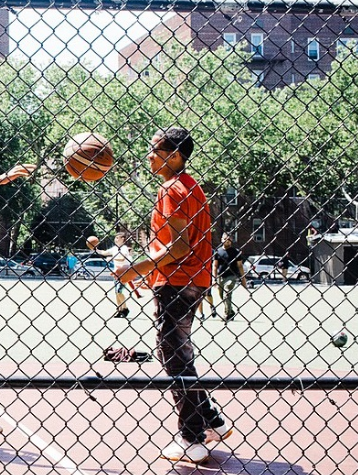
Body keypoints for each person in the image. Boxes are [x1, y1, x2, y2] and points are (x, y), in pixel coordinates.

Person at [115, 127, 233, 464]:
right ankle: (212, 422)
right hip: (192, 279)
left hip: (178, 281)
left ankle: (192, 438)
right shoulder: (192, 187)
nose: (149, 155)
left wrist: (135, 269)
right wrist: (150, 272)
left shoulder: (172, 189)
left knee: (174, 357)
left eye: (155, 150)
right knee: (178, 354)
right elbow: (182, 243)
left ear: (175, 155)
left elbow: (179, 246)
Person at [87, 232, 133, 318]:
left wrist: (111, 258)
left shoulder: (124, 248)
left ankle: (125, 308)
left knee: (119, 291)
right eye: (115, 238)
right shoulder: (115, 248)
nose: (116, 240)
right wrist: (95, 249)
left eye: (118, 238)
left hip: (124, 273)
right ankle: (120, 310)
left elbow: (122, 257)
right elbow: (105, 253)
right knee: (116, 292)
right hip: (116, 273)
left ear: (123, 239)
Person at [213, 234, 246, 321]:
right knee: (221, 296)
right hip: (221, 276)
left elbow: (240, 266)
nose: (227, 241)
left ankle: (226, 314)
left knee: (227, 294)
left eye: (229, 239)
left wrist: (243, 279)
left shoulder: (236, 252)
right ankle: (231, 311)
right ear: (221, 240)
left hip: (231, 276)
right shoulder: (218, 251)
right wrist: (214, 278)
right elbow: (215, 266)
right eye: (225, 239)